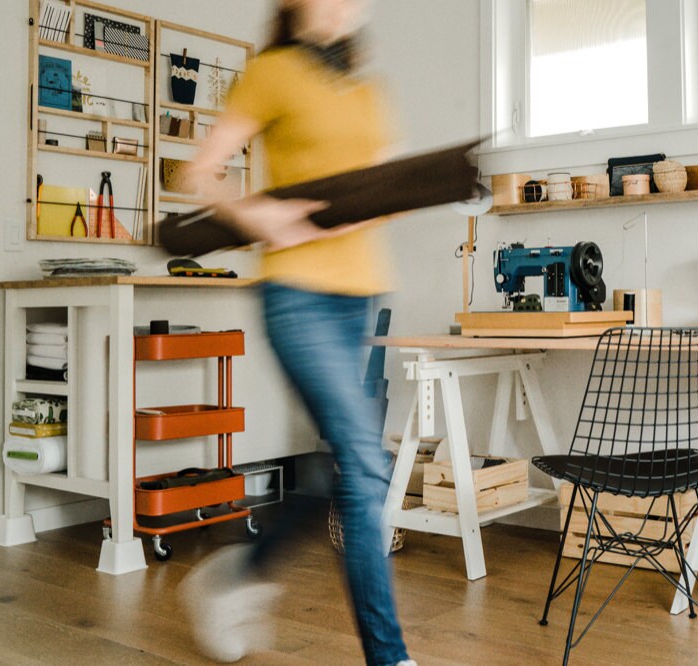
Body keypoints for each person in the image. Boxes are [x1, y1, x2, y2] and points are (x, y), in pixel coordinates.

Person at [177, 2, 414, 665]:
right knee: (366, 467)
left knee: (343, 468)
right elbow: (198, 172)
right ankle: (389, 657)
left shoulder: (370, 89)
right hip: (298, 296)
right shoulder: (273, 72)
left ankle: (237, 575)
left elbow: (380, 187)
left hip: (360, 295)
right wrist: (260, 219)